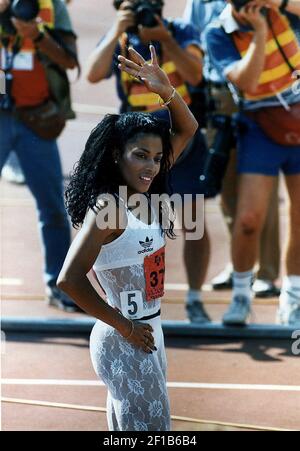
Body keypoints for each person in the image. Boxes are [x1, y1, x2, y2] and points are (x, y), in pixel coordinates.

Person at [57, 45, 198, 431]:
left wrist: (166, 91)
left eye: (156, 157)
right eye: (141, 155)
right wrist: (125, 326)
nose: (152, 165)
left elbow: (188, 129)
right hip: (126, 337)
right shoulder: (109, 208)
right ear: (117, 155)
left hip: (149, 331)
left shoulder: (144, 193)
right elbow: (69, 278)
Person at [85, 0, 212, 323]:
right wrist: (117, 28)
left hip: (176, 142)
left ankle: (195, 297)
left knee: (193, 223)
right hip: (134, 150)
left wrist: (166, 41)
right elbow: (94, 73)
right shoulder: (122, 37)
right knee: (120, 226)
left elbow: (196, 75)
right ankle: (121, 302)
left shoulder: (179, 31)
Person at [206, 0, 300, 326]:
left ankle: (293, 298)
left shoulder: (283, 9)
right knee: (248, 219)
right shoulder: (217, 33)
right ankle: (242, 297)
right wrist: (260, 33)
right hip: (260, 126)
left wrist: (282, 4)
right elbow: (246, 82)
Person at [184, 0, 281, 298]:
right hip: (218, 97)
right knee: (226, 188)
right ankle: (242, 264)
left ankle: (266, 271)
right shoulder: (199, 3)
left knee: (262, 189)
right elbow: (192, 37)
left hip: (258, 94)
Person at [0, 0, 81, 312]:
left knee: (53, 207)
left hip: (36, 118)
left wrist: (36, 34)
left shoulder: (52, 7)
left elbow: (70, 61)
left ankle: (59, 286)